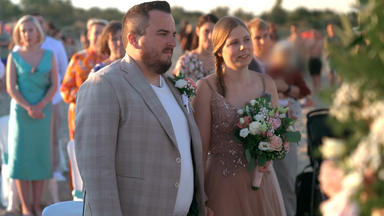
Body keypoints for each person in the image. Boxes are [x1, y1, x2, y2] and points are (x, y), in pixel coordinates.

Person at [75, 1, 208, 216]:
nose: (172, 42)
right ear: (133, 39)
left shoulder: (174, 87)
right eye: (163, 34)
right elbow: (98, 175)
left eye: (173, 34)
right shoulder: (104, 85)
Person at [192, 16, 285, 216]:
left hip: (263, 184)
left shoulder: (267, 83)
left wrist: (273, 149)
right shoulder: (206, 88)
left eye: (246, 40)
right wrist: (200, 198)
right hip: (223, 187)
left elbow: (278, 133)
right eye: (234, 43)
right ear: (219, 50)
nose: (243, 47)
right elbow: (199, 150)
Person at [6, 15, 58, 216]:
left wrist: (41, 105)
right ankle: (26, 207)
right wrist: (29, 107)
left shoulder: (50, 54)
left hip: (43, 112)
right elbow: (11, 88)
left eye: (31, 29)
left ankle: (37, 205)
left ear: (38, 31)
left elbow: (54, 84)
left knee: (40, 157)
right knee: (21, 158)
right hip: (22, 112)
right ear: (19, 33)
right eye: (23, 30)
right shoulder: (14, 56)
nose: (27, 34)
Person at [267, 40, 311, 216]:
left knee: (287, 181)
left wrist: (286, 88)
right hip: (265, 124)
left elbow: (304, 91)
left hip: (286, 125)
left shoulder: (291, 72)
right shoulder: (266, 69)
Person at [173, 14, 218, 81]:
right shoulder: (185, 62)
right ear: (197, 31)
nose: (210, 37)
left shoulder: (223, 61)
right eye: (206, 31)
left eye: (214, 32)